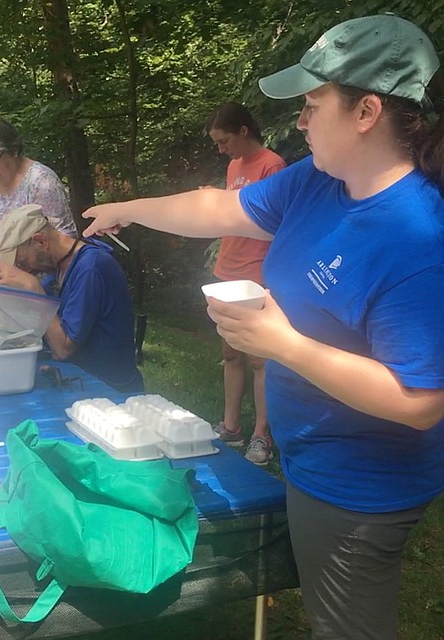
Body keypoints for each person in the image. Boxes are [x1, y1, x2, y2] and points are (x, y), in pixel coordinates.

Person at [81, 14, 444, 639]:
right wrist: (128, 209)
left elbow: (420, 401)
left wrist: (284, 346)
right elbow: (219, 206)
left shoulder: (417, 241)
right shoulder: (317, 182)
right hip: (312, 457)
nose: (299, 122)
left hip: (360, 484)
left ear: (366, 112)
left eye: (311, 104)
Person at [204, 102, 286, 464]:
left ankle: (261, 435)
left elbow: (274, 223)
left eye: (224, 141)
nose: (221, 150)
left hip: (257, 273)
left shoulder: (272, 165)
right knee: (230, 352)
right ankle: (231, 427)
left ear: (243, 132)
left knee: (259, 358)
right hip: (227, 269)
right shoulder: (234, 165)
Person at [0, 204, 143, 392]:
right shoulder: (59, 268)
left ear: (41, 241)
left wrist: (36, 292)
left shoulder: (91, 268)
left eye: (22, 261)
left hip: (109, 391)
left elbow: (63, 349)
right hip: (78, 382)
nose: (24, 268)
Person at [0, 114, 77, 262]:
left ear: (13, 151)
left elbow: (65, 241)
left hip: (41, 282)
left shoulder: (40, 181)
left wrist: (9, 251)